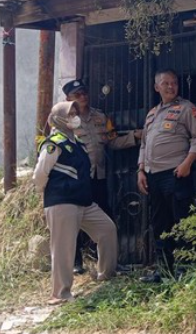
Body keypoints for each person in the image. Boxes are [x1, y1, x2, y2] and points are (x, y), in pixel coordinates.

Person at [32, 101, 118, 305]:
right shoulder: (54, 143)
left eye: (74, 113)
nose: (74, 116)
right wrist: (49, 195)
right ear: (58, 118)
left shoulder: (76, 142)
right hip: (62, 203)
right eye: (70, 114)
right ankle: (61, 294)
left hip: (84, 202)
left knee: (107, 229)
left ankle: (105, 275)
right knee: (64, 248)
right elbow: (40, 174)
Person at [62, 79, 142, 274]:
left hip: (99, 177)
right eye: (77, 94)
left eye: (84, 92)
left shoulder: (99, 116)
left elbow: (112, 142)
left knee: (105, 219)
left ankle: (107, 263)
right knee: (75, 219)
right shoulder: (65, 121)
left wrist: (134, 137)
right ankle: (75, 262)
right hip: (77, 179)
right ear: (68, 99)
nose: (83, 97)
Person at [137, 68, 196, 283]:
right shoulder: (151, 114)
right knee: (160, 224)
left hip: (176, 174)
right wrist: (140, 170)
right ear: (156, 87)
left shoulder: (186, 108)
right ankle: (164, 270)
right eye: (165, 83)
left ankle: (186, 268)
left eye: (174, 83)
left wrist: (187, 163)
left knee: (182, 221)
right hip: (152, 176)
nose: (170, 87)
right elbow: (144, 144)